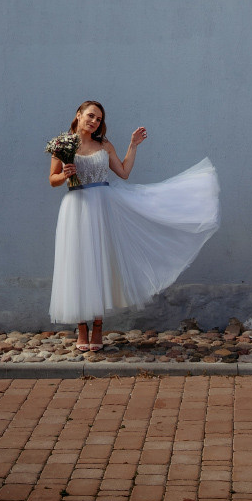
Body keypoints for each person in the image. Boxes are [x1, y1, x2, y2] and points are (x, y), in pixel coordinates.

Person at [49, 100, 220, 351]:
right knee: (78, 264)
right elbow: (52, 179)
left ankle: (98, 327)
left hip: (103, 208)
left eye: (98, 119)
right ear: (79, 115)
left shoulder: (104, 145)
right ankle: (81, 328)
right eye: (91, 116)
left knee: (102, 264)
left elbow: (123, 172)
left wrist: (133, 145)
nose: (94, 121)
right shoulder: (63, 145)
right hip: (76, 208)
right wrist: (63, 174)